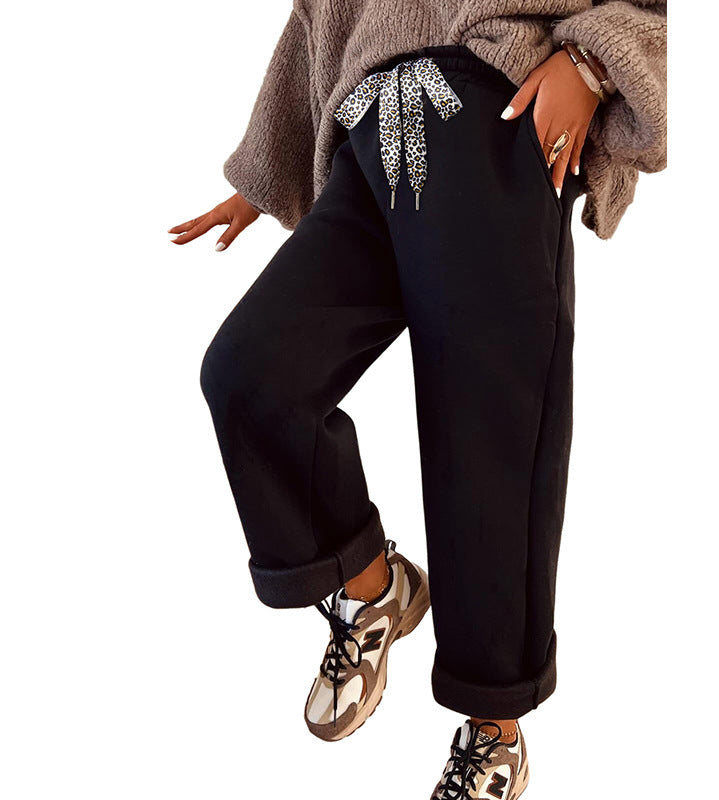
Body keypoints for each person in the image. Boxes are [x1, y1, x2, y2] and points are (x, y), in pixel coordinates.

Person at [170, 2, 666, 797]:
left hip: (496, 114)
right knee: (249, 374)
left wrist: (594, 62)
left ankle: (494, 732)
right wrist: (262, 177)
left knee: (488, 438)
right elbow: (318, 20)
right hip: (369, 137)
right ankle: (375, 588)